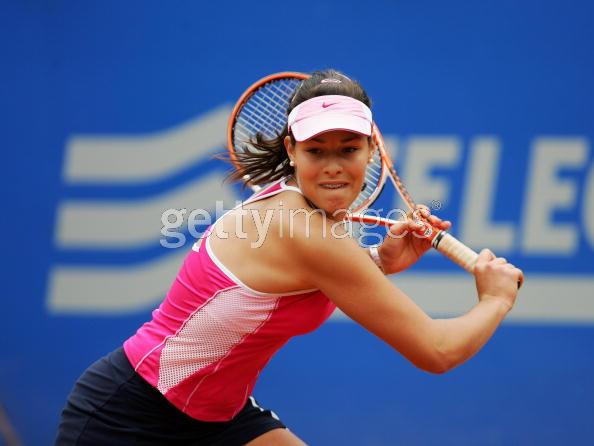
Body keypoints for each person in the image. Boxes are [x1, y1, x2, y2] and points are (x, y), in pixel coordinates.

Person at [55, 69, 523, 445]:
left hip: (218, 415)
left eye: (349, 149)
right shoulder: (305, 230)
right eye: (316, 150)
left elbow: (298, 286)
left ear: (371, 151)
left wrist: (380, 262)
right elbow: (436, 351)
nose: (334, 165)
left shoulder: (305, 213)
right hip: (130, 414)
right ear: (291, 151)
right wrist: (494, 299)